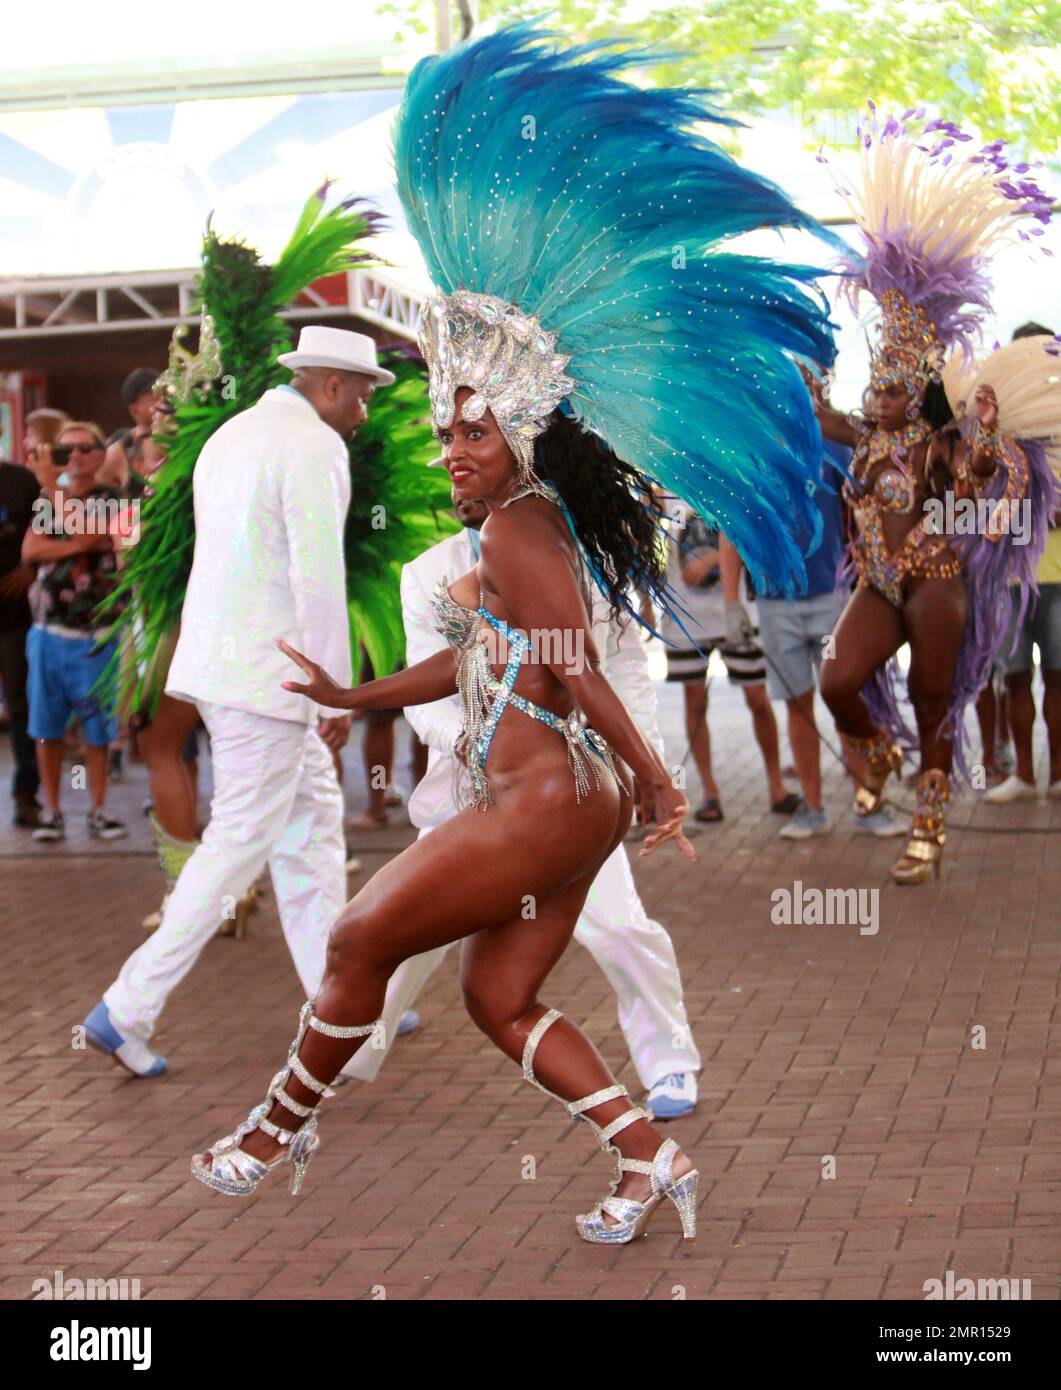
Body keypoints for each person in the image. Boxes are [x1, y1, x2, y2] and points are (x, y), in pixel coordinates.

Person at [188, 24, 839, 1242]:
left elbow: (567, 663)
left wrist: (654, 780)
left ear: (520, 439)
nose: (448, 454)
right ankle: (649, 1159)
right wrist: (354, 698)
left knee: (358, 933)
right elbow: (484, 661)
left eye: (468, 436)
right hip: (560, 798)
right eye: (441, 435)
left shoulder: (516, 529)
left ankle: (269, 1134)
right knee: (498, 994)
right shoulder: (521, 525)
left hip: (545, 803)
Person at [81, 326, 395, 1078]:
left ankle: (342, 1013)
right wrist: (334, 691)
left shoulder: (232, 434)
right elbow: (317, 576)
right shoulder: (314, 447)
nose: (364, 409)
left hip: (232, 669)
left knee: (310, 832)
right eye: (361, 393)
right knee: (239, 847)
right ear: (329, 385)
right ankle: (126, 1008)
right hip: (274, 678)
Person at [339, 488, 702, 1117]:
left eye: (477, 462)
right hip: (467, 795)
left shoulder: (584, 558)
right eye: (450, 464)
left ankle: (670, 1063)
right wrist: (484, 745)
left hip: (570, 793)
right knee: (403, 938)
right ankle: (344, 1054)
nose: (460, 486)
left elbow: (618, 670)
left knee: (619, 928)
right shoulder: (427, 572)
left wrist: (651, 769)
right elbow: (428, 693)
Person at [815, 108, 1054, 882]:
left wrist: (982, 436)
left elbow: (993, 480)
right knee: (836, 679)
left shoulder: (941, 441)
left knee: (931, 698)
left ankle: (928, 822)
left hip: (938, 582)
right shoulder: (866, 436)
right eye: (872, 385)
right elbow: (820, 418)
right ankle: (878, 753)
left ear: (912, 391)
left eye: (889, 387)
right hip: (881, 585)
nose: (876, 397)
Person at [657, 494, 798, 822]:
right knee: (694, 701)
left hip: (736, 613)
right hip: (686, 618)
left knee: (757, 699)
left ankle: (776, 786)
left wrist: (716, 559)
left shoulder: (726, 477)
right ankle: (709, 792)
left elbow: (756, 535)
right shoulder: (663, 479)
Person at [21, 420, 128, 843]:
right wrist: (79, 543)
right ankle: (53, 809)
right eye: (67, 451)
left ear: (101, 455)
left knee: (97, 731)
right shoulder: (51, 499)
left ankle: (97, 810)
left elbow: (101, 537)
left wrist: (55, 492)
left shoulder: (118, 502)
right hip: (49, 632)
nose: (76, 457)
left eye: (85, 449)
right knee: (47, 727)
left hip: (97, 635)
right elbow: (32, 550)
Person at [984, 324, 1061, 803]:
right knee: (1014, 678)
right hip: (1010, 579)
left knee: (1058, 677)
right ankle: (1024, 776)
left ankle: (1057, 776)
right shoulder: (994, 435)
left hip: (1058, 578)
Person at [0, 455, 44, 826]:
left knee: (21, 704)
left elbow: (48, 528)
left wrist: (32, 567)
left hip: (14, 614)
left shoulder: (23, 481)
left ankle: (26, 795)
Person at [99, 368, 161, 492]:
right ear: (135, 409)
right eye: (153, 399)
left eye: (164, 396)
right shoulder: (118, 452)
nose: (161, 403)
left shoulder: (180, 438)